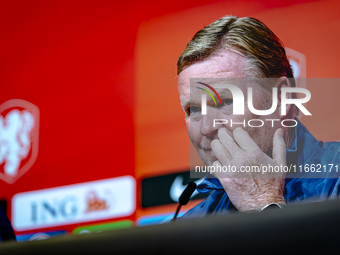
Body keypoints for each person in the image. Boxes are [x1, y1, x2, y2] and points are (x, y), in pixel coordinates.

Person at [177, 15, 340, 217]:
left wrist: (265, 205)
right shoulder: (189, 226)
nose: (206, 128)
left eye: (226, 102)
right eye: (193, 110)